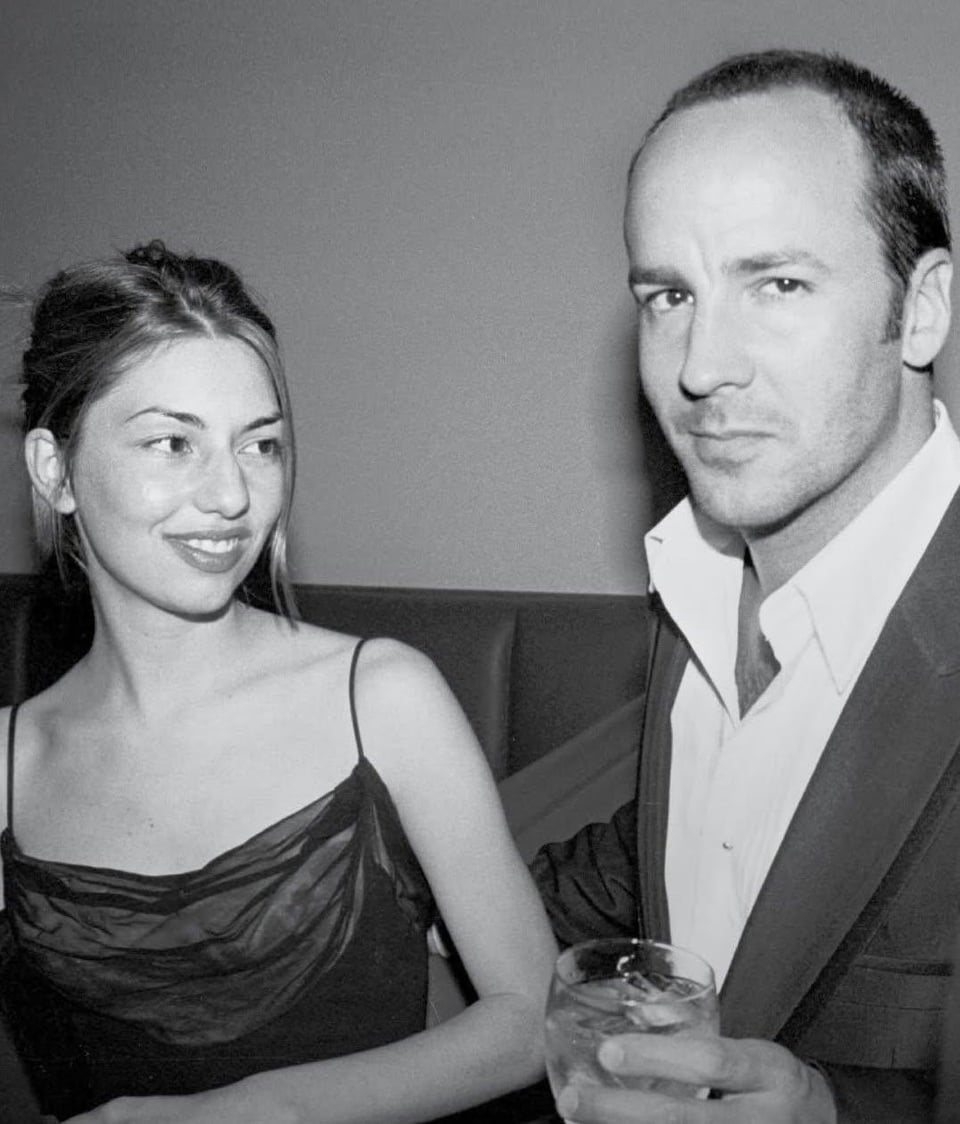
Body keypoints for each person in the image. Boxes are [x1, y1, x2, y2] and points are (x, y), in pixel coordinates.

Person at [0, 241, 557, 1123]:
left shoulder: (383, 698)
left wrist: (259, 1112)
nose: (232, 495)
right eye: (172, 442)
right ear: (54, 469)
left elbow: (531, 1021)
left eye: (260, 445)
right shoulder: (9, 766)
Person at [532, 49, 960, 1123]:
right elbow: (674, 863)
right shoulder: (697, 586)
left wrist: (828, 1111)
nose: (700, 366)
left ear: (922, 309)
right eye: (669, 295)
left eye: (778, 284)